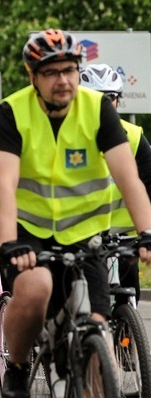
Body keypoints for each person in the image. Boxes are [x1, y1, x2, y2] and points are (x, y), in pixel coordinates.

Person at [0, 29, 151, 398]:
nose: (63, 80)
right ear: (33, 76)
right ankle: (18, 366)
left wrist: (146, 233)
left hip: (85, 233)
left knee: (98, 333)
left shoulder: (97, 109)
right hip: (26, 232)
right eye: (52, 72)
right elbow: (4, 184)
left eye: (70, 70)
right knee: (38, 285)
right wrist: (10, 244)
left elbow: (128, 177)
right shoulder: (14, 112)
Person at [80, 63, 151, 299]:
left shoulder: (133, 136)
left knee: (128, 296)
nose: (104, 103)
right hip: (79, 232)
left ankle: (127, 331)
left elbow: (149, 183)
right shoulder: (65, 135)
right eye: (95, 97)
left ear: (117, 100)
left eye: (110, 97)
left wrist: (147, 232)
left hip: (123, 234)